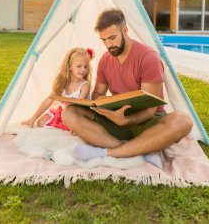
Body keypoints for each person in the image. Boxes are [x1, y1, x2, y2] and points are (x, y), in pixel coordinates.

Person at [62, 9, 193, 167]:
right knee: (69, 113)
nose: (108, 45)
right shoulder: (105, 60)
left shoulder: (148, 58)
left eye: (112, 38)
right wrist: (105, 108)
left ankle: (107, 153)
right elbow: (97, 93)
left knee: (183, 121)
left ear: (125, 30)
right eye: (103, 40)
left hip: (148, 122)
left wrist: (126, 120)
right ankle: (141, 151)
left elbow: (151, 110)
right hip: (115, 118)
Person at [22, 47, 94, 131]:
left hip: (77, 114)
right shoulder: (63, 83)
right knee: (40, 122)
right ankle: (59, 126)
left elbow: (78, 106)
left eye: (85, 67)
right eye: (79, 66)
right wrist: (32, 119)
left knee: (73, 126)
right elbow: (47, 101)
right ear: (69, 67)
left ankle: (70, 128)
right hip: (63, 113)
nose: (83, 70)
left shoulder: (85, 85)